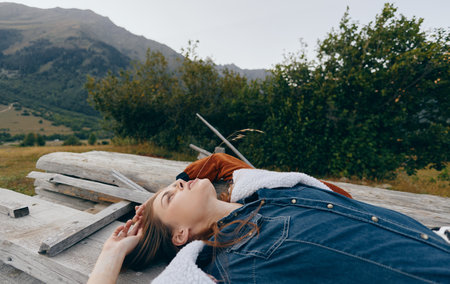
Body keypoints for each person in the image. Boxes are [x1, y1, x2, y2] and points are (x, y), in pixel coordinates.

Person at [88, 154, 450, 284]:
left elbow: (224, 165)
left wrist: (196, 173)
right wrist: (111, 254)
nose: (181, 183)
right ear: (180, 235)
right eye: (171, 195)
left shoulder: (270, 191)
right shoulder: (229, 267)